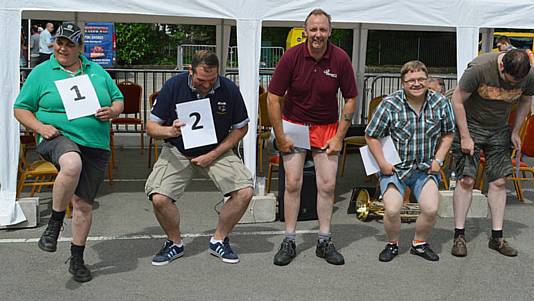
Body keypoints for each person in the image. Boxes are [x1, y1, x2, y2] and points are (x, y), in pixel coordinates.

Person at [13, 22, 124, 282]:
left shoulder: (98, 71)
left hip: (95, 143)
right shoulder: (42, 72)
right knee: (71, 164)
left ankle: (77, 258)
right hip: (57, 137)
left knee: (84, 204)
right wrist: (40, 126)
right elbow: (20, 108)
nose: (62, 48)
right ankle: (54, 223)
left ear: (80, 48)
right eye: (59, 42)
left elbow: (118, 99)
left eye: (69, 44)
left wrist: (114, 110)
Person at [267, 8, 358, 266]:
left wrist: (340, 136)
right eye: (313, 29)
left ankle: (324, 240)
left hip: (326, 126)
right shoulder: (291, 57)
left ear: (330, 31)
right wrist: (280, 135)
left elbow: (350, 98)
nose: (318, 34)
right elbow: (274, 98)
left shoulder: (340, 58)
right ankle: (289, 239)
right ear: (305, 31)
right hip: (295, 125)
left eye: (323, 29)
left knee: (327, 185)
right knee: (293, 183)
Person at [145, 50, 254, 266]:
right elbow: (150, 127)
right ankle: (174, 243)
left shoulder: (229, 88)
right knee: (158, 197)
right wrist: (171, 132)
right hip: (178, 149)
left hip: (216, 150)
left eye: (212, 80)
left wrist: (213, 154)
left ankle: (219, 239)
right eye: (201, 80)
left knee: (245, 191)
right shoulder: (173, 86)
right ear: (190, 71)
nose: (207, 85)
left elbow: (241, 128)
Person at [365, 60, 455, 262]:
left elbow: (449, 134)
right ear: (403, 83)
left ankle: (419, 243)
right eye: (411, 80)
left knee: (431, 209)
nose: (416, 84)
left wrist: (438, 160)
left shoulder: (441, 103)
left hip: (424, 169)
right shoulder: (389, 104)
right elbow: (370, 135)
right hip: (395, 169)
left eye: (421, 79)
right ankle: (393, 243)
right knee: (392, 209)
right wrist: (382, 163)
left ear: (427, 80)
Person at [450, 49, 534, 257]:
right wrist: (465, 136)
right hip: (471, 125)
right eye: (509, 80)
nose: (513, 85)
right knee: (466, 180)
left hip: (499, 129)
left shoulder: (528, 75)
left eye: (518, 82)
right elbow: (457, 100)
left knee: (499, 182)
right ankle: (459, 235)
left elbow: (525, 101)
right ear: (501, 67)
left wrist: (516, 130)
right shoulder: (479, 69)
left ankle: (497, 237)